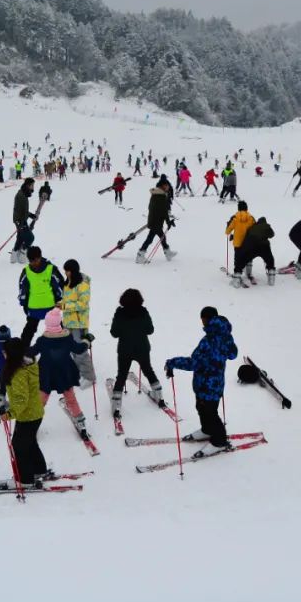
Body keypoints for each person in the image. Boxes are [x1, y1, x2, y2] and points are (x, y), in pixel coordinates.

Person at [165, 306, 238, 457]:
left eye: (203, 319)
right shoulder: (225, 335)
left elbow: (194, 363)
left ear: (208, 319)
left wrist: (173, 362)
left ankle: (219, 441)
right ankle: (207, 430)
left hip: (207, 384)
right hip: (215, 383)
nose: (202, 322)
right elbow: (233, 354)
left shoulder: (209, 341)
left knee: (210, 412)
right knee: (201, 407)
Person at [29, 308, 91, 437]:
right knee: (70, 398)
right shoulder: (67, 338)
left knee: (42, 399)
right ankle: (80, 422)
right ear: (59, 323)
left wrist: (20, 349)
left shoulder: (42, 340)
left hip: (47, 374)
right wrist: (87, 341)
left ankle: (32, 423)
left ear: (47, 324)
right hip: (65, 373)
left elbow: (32, 352)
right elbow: (79, 349)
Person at [0, 337, 47, 488]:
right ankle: (39, 470)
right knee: (29, 443)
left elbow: (21, 400)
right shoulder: (27, 365)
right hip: (34, 413)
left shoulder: (18, 373)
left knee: (18, 446)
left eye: (5, 352)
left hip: (28, 415)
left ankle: (25, 479)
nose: (3, 354)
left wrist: (9, 414)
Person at [109, 288, 162, 419]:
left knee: (121, 374)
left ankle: (116, 404)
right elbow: (150, 330)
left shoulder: (120, 313)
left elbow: (114, 333)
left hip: (125, 348)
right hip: (142, 347)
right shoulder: (143, 312)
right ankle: (158, 394)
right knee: (148, 370)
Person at [18, 245, 65, 348]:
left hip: (50, 307)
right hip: (33, 308)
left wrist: (61, 299)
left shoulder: (50, 269)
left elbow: (61, 285)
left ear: (40, 257)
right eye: (31, 261)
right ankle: (23, 352)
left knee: (58, 329)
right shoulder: (26, 272)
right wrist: (23, 303)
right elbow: (23, 289)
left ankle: (65, 349)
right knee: (29, 330)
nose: (33, 263)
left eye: (35, 260)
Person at [60, 259, 95, 389]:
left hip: (78, 323)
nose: (66, 273)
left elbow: (83, 304)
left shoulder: (83, 284)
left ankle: (89, 377)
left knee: (80, 350)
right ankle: (79, 371)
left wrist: (64, 306)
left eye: (67, 270)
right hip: (68, 321)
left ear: (73, 270)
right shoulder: (68, 283)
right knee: (72, 349)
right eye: (65, 270)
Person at [136, 177, 176, 263]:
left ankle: (167, 252)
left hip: (155, 220)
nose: (168, 187)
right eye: (167, 185)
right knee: (151, 239)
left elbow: (157, 209)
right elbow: (164, 211)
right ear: (162, 186)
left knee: (161, 237)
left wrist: (167, 221)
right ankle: (140, 255)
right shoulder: (160, 196)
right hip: (156, 222)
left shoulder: (157, 194)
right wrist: (168, 222)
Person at [225, 201, 256, 287]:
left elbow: (227, 232)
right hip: (248, 243)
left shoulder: (235, 217)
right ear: (247, 208)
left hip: (238, 243)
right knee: (249, 257)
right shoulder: (251, 218)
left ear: (238, 208)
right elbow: (255, 229)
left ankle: (237, 275)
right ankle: (249, 272)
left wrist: (228, 227)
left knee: (238, 259)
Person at [239, 216, 277, 285]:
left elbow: (246, 237)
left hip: (253, 246)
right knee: (270, 261)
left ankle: (240, 273)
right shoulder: (267, 226)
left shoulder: (252, 227)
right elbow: (272, 235)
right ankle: (271, 279)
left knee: (246, 259)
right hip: (264, 247)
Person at [11, 178, 37, 264]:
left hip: (21, 220)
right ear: (28, 185)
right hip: (20, 221)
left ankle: (13, 257)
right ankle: (22, 256)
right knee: (30, 238)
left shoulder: (23, 194)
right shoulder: (21, 196)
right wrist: (20, 223)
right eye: (32, 185)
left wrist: (31, 215)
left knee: (20, 238)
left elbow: (24, 211)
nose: (33, 187)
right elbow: (17, 210)